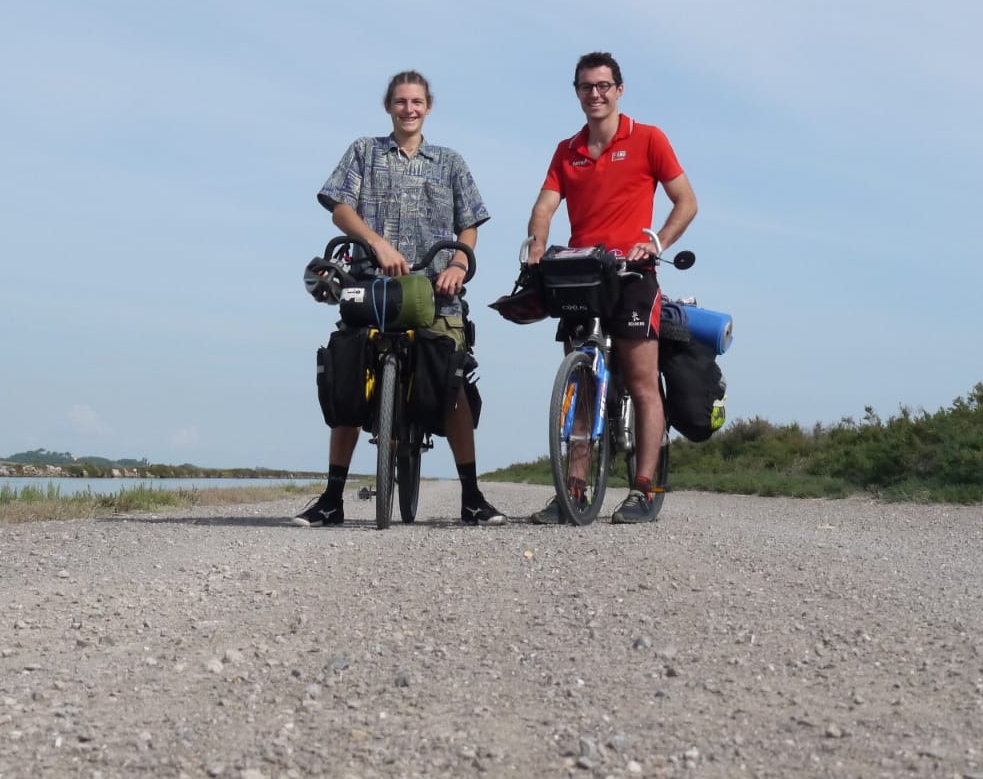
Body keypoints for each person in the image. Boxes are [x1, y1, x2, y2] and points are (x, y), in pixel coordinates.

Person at [293, 70, 507, 527]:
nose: (408, 109)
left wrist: (458, 265)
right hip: (371, 283)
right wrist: (376, 243)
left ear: (428, 107)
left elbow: (469, 222)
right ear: (388, 107)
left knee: (453, 379)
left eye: (416, 102)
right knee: (346, 374)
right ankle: (331, 499)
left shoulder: (450, 161)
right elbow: (340, 208)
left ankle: (472, 497)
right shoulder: (364, 151)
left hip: (435, 287)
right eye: (400, 102)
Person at [525, 51, 697, 525]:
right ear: (577, 92)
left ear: (619, 90)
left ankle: (642, 487)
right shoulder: (567, 149)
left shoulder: (647, 139)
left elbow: (686, 201)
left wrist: (656, 241)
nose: (595, 94)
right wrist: (536, 245)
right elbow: (545, 206)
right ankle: (573, 491)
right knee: (582, 386)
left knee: (642, 383)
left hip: (633, 274)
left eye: (603, 86)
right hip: (582, 274)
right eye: (586, 87)